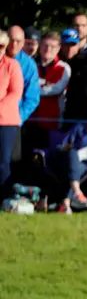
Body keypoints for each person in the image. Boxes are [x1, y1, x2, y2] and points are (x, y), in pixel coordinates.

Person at [7, 26, 40, 164]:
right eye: (11, 40)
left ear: (23, 43)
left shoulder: (28, 64)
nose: (14, 44)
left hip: (12, 121)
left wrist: (18, 118)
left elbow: (32, 98)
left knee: (11, 162)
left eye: (18, 41)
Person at [0, 29, 24, 196]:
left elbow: (15, 93)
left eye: (1, 45)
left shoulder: (12, 65)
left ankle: (3, 196)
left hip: (5, 122)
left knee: (3, 163)